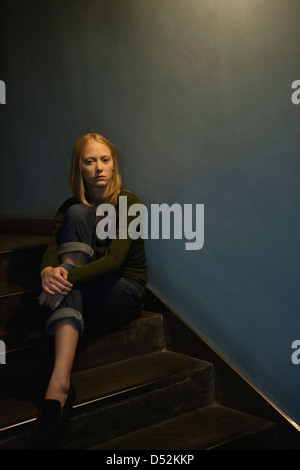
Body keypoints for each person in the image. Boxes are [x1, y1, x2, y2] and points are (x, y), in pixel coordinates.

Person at [33, 132, 147, 444]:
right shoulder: (71, 206)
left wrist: (63, 278)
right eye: (90, 161)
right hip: (85, 283)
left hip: (124, 291)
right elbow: (54, 247)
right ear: (79, 169)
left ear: (114, 165)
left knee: (70, 283)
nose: (98, 167)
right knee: (78, 213)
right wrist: (46, 271)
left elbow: (113, 262)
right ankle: (60, 383)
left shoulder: (129, 203)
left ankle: (58, 385)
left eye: (105, 160)